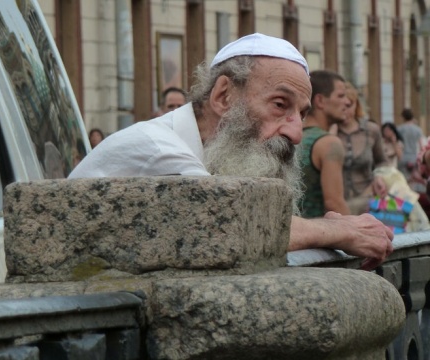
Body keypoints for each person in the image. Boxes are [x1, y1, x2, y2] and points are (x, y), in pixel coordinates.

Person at [69, 33, 393, 270]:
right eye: (280, 105)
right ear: (223, 96)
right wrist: (335, 230)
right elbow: (230, 223)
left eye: (302, 114)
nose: (296, 133)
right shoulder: (160, 149)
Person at [298, 70, 351, 218]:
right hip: (319, 235)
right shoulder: (329, 143)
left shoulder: (293, 137)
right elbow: (334, 204)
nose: (347, 102)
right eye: (340, 96)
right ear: (320, 100)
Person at [334, 82, 387, 215]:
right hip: (337, 205)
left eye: (348, 105)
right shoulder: (329, 132)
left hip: (368, 202)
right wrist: (331, 134)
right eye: (340, 105)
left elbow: (382, 160)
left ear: (356, 104)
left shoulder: (371, 130)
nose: (345, 110)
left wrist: (379, 176)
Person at [397, 108, 426, 192]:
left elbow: (398, 145)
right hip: (414, 158)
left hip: (403, 158)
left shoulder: (399, 129)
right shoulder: (418, 129)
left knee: (403, 182)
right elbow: (422, 146)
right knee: (414, 182)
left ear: (403, 117)